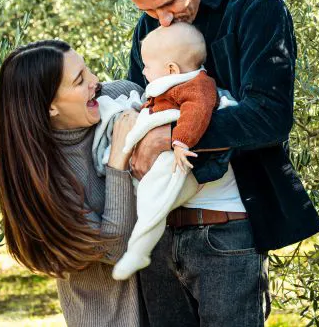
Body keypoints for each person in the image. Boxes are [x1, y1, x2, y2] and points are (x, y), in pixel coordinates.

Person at [114, 0, 319, 326]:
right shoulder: (153, 23)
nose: (162, 20)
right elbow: (144, 100)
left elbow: (270, 117)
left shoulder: (256, 6)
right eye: (148, 12)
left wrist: (173, 138)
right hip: (158, 235)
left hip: (227, 234)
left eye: (170, 3)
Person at [0, 40, 146, 327]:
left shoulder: (120, 97)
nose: (96, 82)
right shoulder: (45, 178)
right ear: (50, 106)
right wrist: (117, 161)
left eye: (88, 70)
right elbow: (116, 250)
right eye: (80, 81)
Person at [98, 23, 236, 280]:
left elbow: (196, 114)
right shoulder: (172, 84)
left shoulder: (196, 85)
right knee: (151, 194)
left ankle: (139, 248)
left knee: (154, 197)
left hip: (176, 156)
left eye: (148, 66)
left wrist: (179, 141)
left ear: (171, 69)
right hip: (169, 157)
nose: (143, 71)